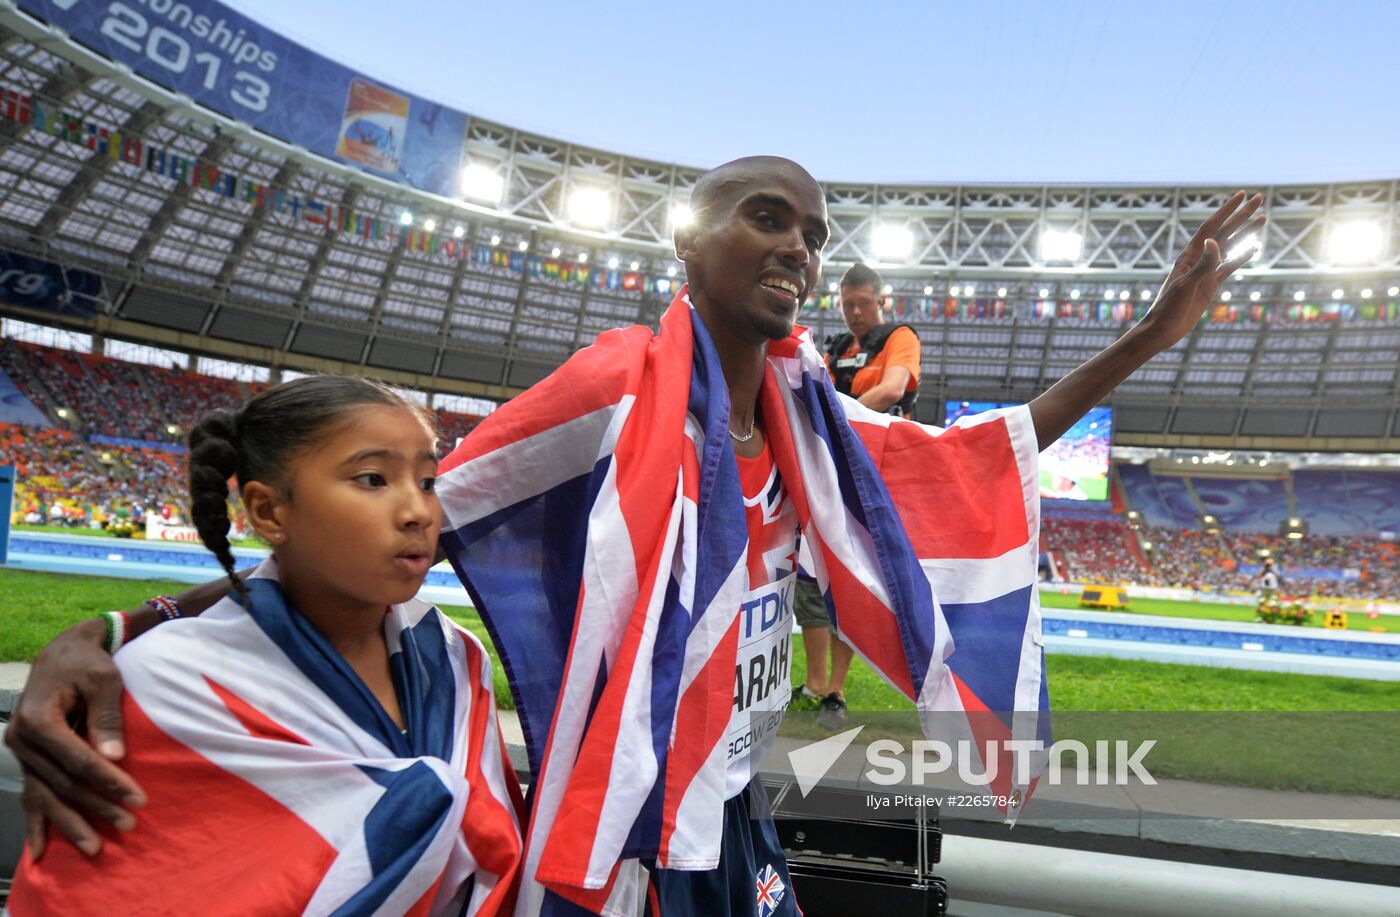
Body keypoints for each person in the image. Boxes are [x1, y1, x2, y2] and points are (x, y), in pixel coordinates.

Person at [6, 156, 1263, 917]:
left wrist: (1150, 335)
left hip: (737, 802)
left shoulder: (812, 427)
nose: (796, 247)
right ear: (691, 237)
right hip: (633, 832)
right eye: (767, 216)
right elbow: (433, 512)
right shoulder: (618, 387)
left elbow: (968, 463)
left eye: (815, 233)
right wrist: (121, 625)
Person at [6, 376, 523, 915]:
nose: (418, 511)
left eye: (428, 481)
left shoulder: (458, 658)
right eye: (373, 479)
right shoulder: (168, 681)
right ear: (270, 511)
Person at [795, 261, 924, 727]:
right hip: (833, 470)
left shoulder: (899, 339)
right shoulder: (833, 348)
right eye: (847, 304)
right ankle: (812, 684)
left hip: (881, 473)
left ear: (880, 301)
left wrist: (836, 418)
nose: (854, 312)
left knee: (854, 579)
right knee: (810, 578)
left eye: (863, 303)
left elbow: (892, 389)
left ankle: (836, 690)